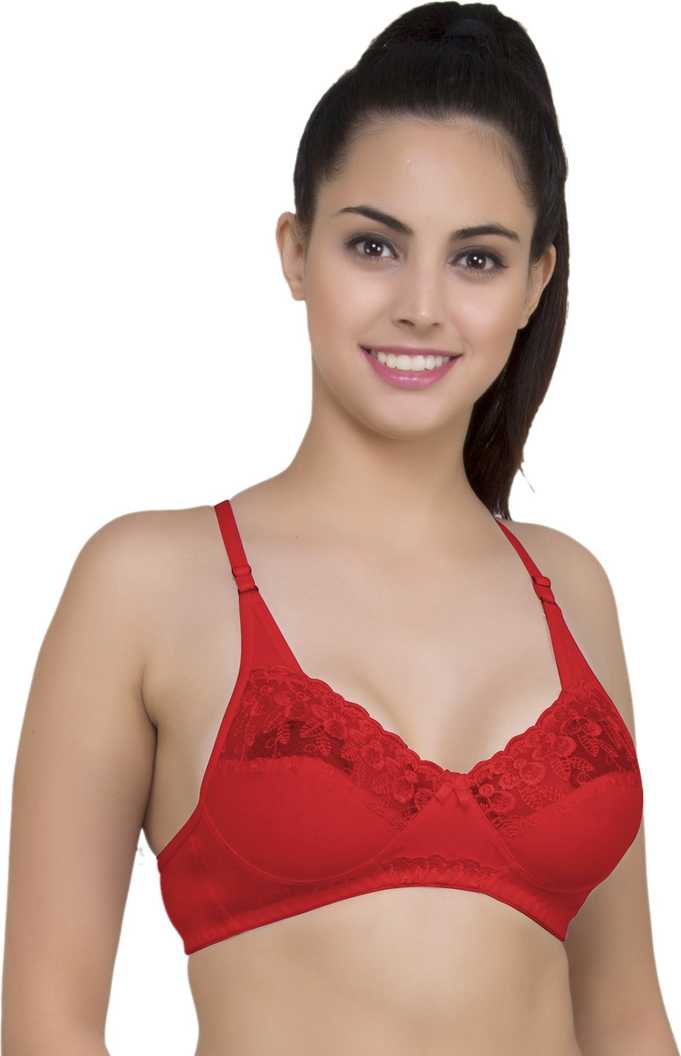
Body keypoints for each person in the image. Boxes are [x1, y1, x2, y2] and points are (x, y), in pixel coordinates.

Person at [3, 2, 677, 1054]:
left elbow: (627, 1016)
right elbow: (46, 1025)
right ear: (295, 252)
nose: (421, 306)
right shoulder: (147, 583)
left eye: (477, 260)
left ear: (534, 283)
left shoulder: (573, 589)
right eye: (374, 245)